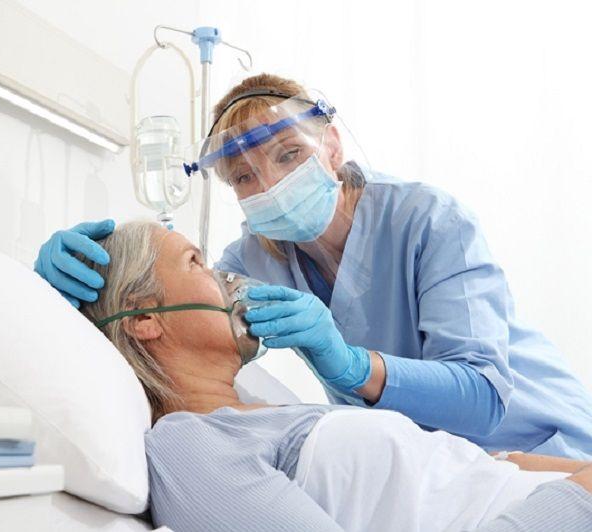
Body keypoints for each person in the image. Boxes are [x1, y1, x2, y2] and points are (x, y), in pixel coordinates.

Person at [35, 73, 592, 459]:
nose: (270, 184)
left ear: (331, 146)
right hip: (441, 471)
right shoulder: (252, 259)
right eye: (244, 176)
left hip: (543, 446)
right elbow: (171, 317)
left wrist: (351, 366)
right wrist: (59, 293)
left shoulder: (429, 221)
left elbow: (484, 396)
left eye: (289, 154)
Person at [74, 220, 592, 532]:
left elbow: (466, 470)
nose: (228, 278)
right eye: (196, 263)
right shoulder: (189, 443)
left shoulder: (268, 414)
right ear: (144, 317)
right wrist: (579, 498)